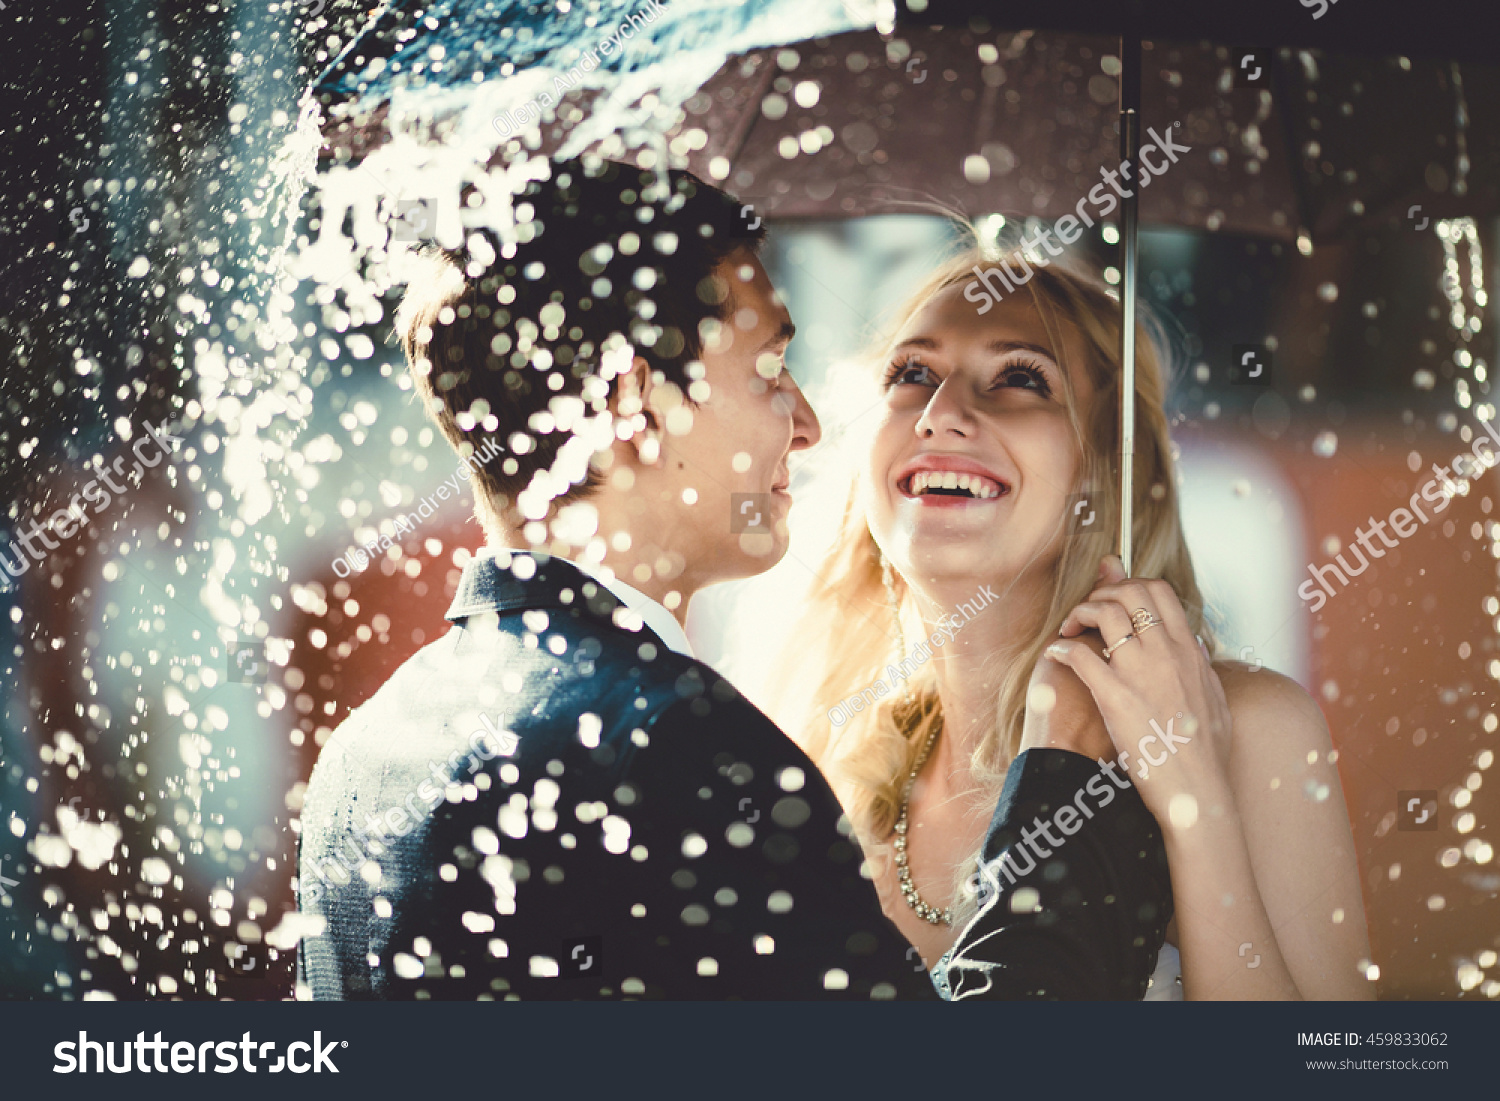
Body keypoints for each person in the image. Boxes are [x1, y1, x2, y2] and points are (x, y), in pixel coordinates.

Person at [295, 160, 1172, 1000]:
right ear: (632, 399)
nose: (808, 423)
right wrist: (1060, 780)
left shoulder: (360, 759)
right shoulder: (692, 756)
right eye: (766, 368)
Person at [786, 238, 1373, 999]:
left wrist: (1195, 807)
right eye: (912, 373)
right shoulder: (830, 768)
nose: (941, 413)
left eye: (1022, 378)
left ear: (1107, 466)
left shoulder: (1251, 728)